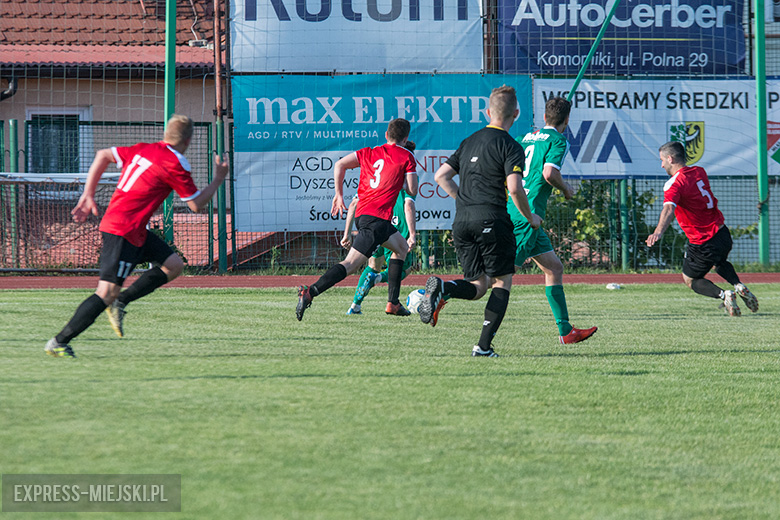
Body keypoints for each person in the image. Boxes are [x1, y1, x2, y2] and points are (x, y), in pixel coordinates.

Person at [45, 114, 229, 358]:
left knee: (173, 265)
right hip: (123, 230)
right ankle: (58, 342)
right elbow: (195, 205)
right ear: (188, 139)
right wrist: (218, 179)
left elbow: (102, 155)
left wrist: (88, 194)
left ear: (167, 134)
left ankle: (121, 302)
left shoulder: (143, 149)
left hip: (133, 227)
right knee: (105, 293)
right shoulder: (176, 163)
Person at [419, 85, 542, 357]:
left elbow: (441, 176)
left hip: (462, 221)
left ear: (487, 112)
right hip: (492, 218)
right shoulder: (511, 145)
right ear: (516, 113)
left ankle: (444, 287)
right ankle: (483, 347)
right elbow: (514, 188)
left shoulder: (469, 140)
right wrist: (530, 217)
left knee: (478, 287)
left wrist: (462, 201)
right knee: (501, 282)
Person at [296, 118, 418, 320]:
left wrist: (339, 194)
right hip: (376, 220)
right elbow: (412, 190)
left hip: (364, 215)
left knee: (401, 247)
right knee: (350, 264)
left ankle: (393, 303)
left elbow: (340, 164)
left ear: (386, 135)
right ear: (405, 139)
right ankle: (311, 292)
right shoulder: (406, 155)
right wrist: (400, 183)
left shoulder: (368, 152)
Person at [510, 97, 597, 344]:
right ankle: (443, 291)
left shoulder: (525, 138)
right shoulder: (559, 140)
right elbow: (549, 173)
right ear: (567, 121)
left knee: (554, 268)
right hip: (527, 214)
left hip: (523, 212)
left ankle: (566, 331)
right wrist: (566, 188)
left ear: (545, 117)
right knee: (500, 276)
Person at [646, 141, 758, 316]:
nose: (661, 165)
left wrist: (658, 231)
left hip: (703, 241)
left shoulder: (674, 184)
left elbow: (668, 208)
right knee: (718, 263)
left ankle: (725, 294)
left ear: (670, 158)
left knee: (690, 279)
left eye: (662, 160)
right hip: (723, 234)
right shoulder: (699, 172)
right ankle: (738, 285)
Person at [343, 141, 418, 315]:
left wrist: (346, 233)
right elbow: (408, 205)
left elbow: (354, 202)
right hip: (396, 227)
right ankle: (381, 283)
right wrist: (412, 234)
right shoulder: (408, 174)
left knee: (372, 264)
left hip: (374, 222)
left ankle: (355, 306)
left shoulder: (377, 173)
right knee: (404, 269)